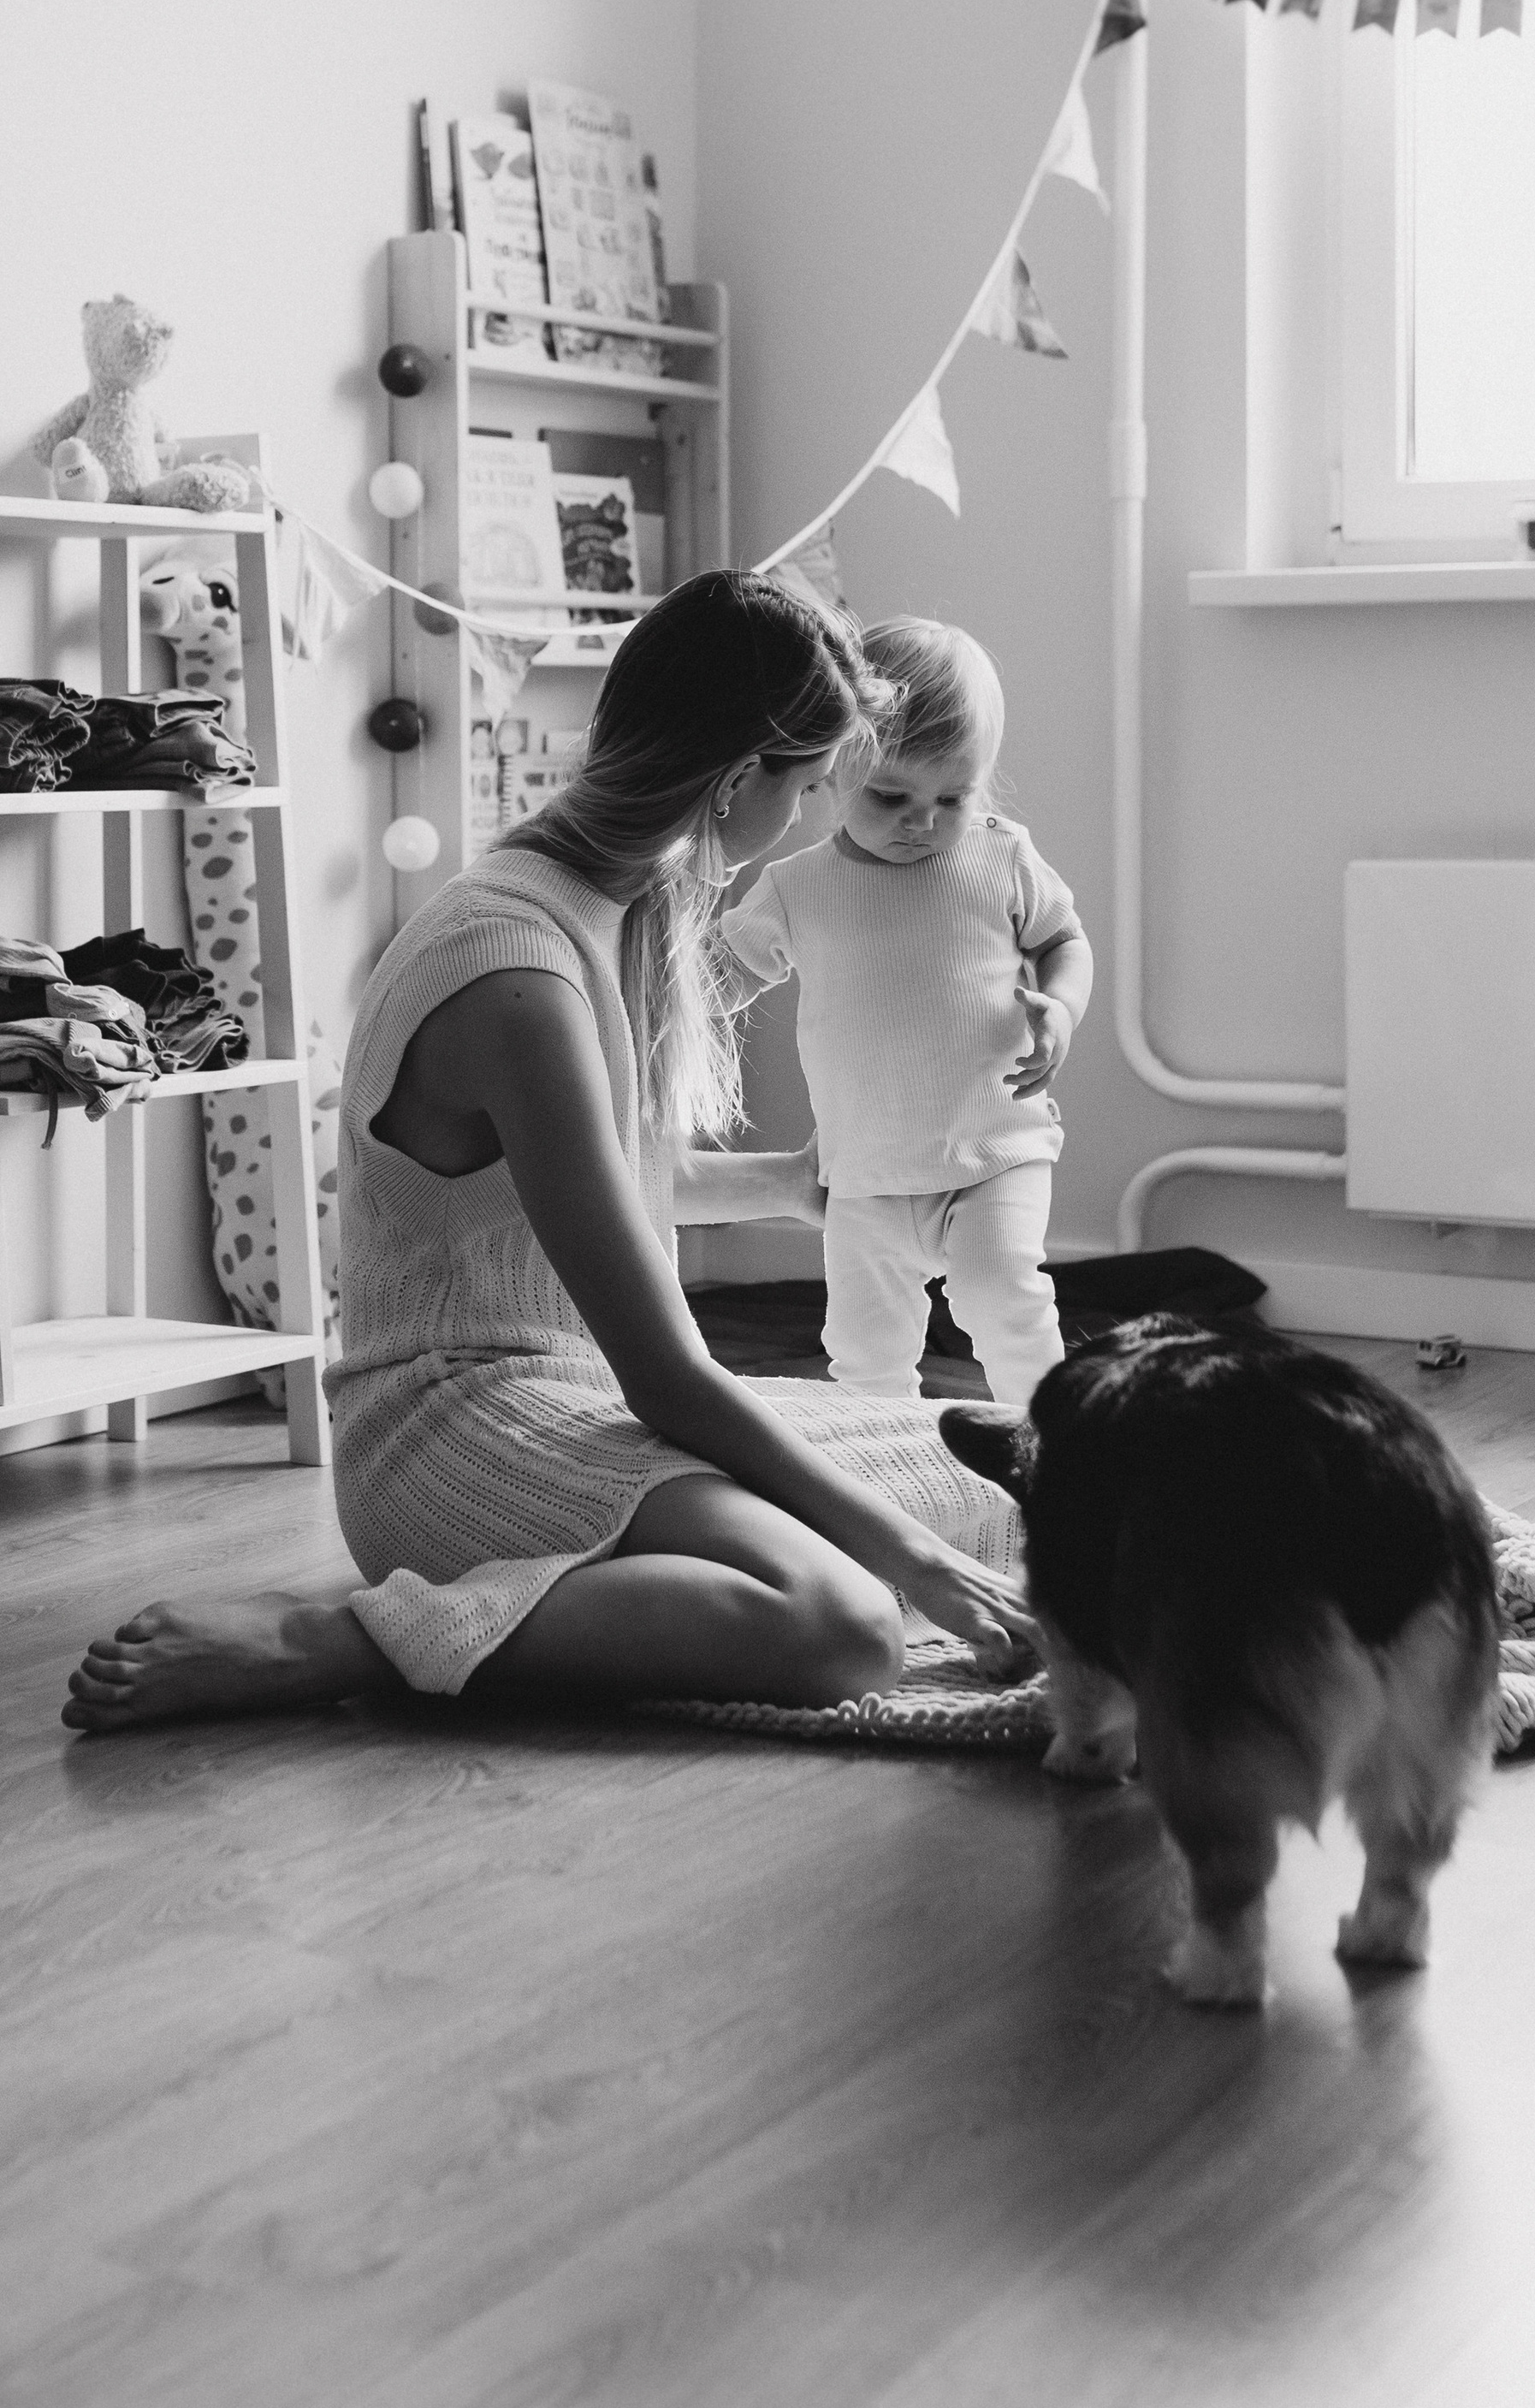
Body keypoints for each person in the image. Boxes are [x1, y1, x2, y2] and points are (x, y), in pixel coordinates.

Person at [63, 572, 1033, 1735]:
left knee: (1012, 1481)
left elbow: (568, 1206)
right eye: (816, 780)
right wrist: (919, 1564)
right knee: (845, 1619)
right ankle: (346, 1635)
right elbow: (666, 1374)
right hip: (446, 1433)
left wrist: (787, 1182)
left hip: (576, 1402)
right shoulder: (515, 972)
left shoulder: (626, 899)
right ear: (736, 782)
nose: (821, 812)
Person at [720, 616, 1091, 1408]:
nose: (923, 821)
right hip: (866, 1169)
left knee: (1005, 1304)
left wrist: (1059, 1009)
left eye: (952, 797)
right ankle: (883, 1468)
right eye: (891, 796)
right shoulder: (799, 887)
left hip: (995, 1149)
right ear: (832, 771)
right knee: (865, 1353)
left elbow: (1066, 940)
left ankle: (1063, 1448)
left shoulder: (999, 856)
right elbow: (720, 978)